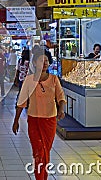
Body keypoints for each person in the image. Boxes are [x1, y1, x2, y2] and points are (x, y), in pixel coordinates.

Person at [12, 49, 66, 180]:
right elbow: (22, 101)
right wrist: (16, 120)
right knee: (38, 151)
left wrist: (61, 109)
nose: (45, 63)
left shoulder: (54, 79)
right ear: (35, 63)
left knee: (46, 150)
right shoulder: (29, 80)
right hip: (34, 120)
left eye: (47, 60)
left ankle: (43, 177)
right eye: (42, 60)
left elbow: (61, 97)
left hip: (50, 120)